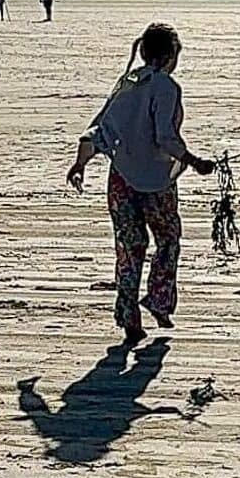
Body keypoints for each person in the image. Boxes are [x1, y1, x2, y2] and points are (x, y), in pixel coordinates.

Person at [67, 23, 215, 346]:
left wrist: (80, 163)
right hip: (154, 182)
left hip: (121, 178)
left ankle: (129, 315)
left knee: (129, 247)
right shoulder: (166, 87)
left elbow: (99, 129)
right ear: (168, 55)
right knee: (168, 239)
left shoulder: (127, 83)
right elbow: (165, 137)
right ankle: (159, 300)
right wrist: (193, 161)